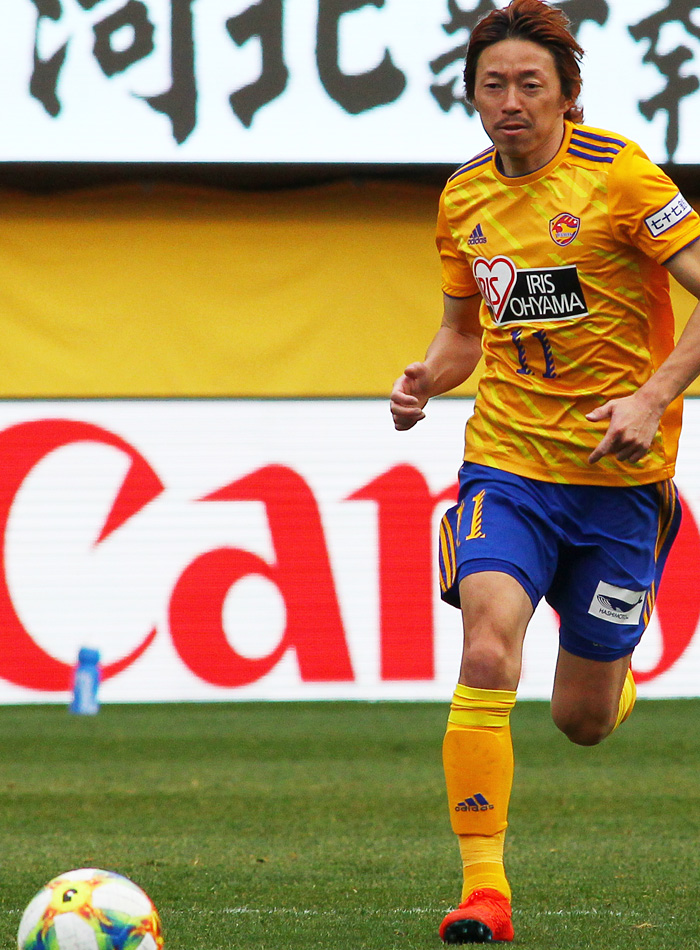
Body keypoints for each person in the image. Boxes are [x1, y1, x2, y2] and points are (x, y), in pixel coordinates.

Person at [390, 0, 700, 943]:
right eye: (493, 85)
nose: (511, 101)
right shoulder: (463, 199)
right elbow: (463, 333)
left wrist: (652, 396)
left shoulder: (620, 176)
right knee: (487, 653)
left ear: (568, 93)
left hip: (620, 480)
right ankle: (485, 891)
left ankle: (614, 673)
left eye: (531, 83)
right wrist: (426, 378)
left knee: (582, 720)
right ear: (473, 96)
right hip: (508, 465)